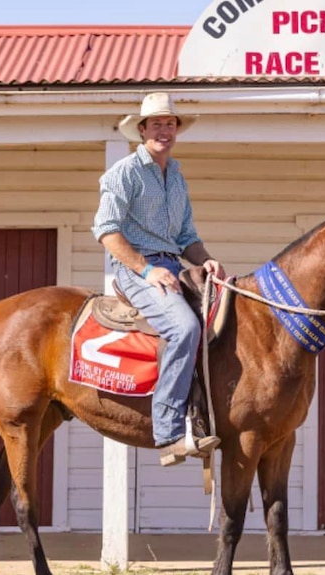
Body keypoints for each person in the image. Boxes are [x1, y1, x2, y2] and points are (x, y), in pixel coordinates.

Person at [92, 92, 224, 467]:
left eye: (170, 124)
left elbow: (186, 238)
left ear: (176, 130)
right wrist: (147, 270)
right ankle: (167, 433)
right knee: (183, 329)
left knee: (223, 319)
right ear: (142, 129)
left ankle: (202, 417)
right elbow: (106, 231)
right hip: (137, 268)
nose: (164, 130)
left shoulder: (176, 176)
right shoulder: (125, 173)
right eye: (157, 124)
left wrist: (208, 260)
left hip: (172, 265)